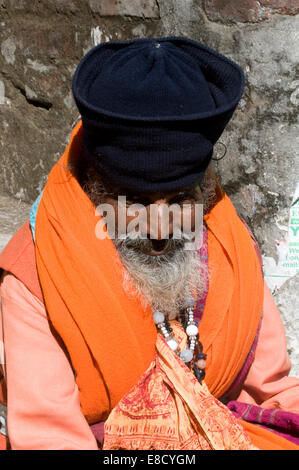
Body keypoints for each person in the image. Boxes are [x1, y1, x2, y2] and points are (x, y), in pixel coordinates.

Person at [0, 36, 298, 450]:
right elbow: (49, 439)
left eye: (178, 201)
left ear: (203, 193)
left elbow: (273, 389)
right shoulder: (37, 275)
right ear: (95, 188)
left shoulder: (229, 244)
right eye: (134, 203)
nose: (160, 229)